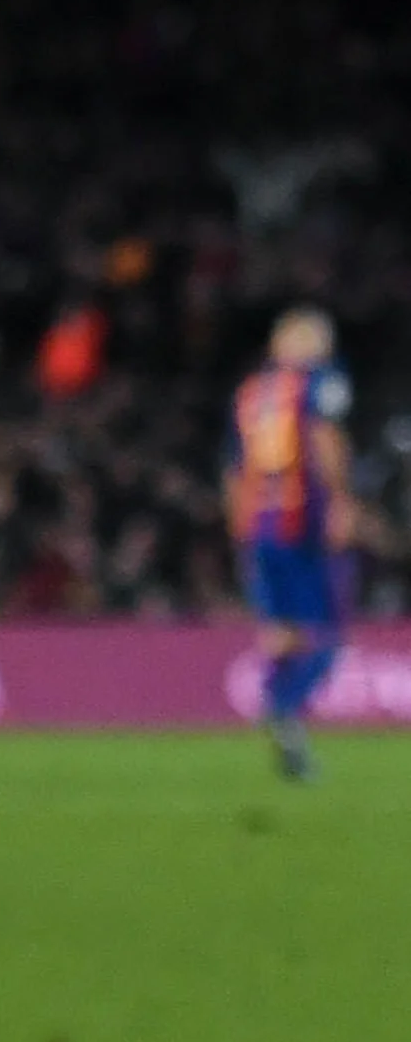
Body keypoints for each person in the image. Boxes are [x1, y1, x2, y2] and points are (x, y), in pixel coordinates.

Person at [229, 306, 359, 782]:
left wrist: (240, 531)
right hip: (303, 524)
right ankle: (282, 706)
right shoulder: (318, 383)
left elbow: (234, 470)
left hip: (258, 525)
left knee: (280, 632)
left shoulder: (249, 393)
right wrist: (343, 501)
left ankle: (283, 717)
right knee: (329, 633)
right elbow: (324, 437)